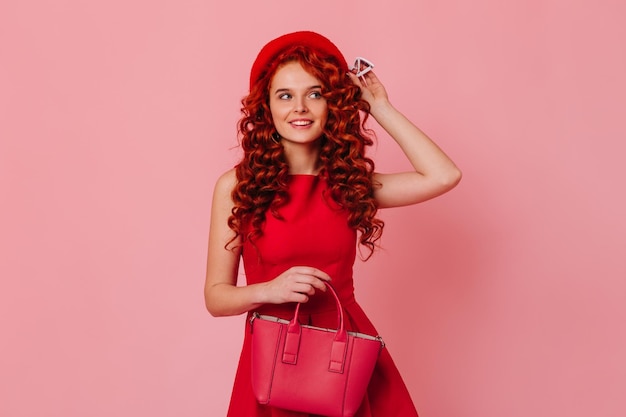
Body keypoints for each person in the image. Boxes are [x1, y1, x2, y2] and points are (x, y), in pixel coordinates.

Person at [204, 31, 461, 417]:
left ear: (333, 104)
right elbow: (216, 297)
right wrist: (270, 290)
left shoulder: (349, 184)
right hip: (274, 360)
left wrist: (380, 107)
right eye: (285, 95)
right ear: (267, 108)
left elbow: (443, 175)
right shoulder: (237, 186)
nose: (300, 107)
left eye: (315, 93)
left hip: (346, 356)